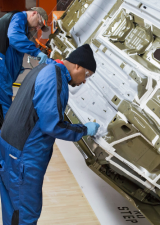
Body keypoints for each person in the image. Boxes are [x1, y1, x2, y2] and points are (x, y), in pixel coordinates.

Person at [0, 44, 100, 225]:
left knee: (12, 206)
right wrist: (84, 129)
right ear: (77, 65)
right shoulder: (55, 77)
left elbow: (42, 112)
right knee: (25, 212)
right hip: (24, 156)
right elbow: (52, 125)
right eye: (86, 75)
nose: (84, 81)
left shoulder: (44, 68)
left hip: (10, 147)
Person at [0, 7, 49, 126]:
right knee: (5, 103)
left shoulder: (23, 27)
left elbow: (14, 49)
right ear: (34, 13)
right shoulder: (18, 16)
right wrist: (36, 52)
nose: (37, 28)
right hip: (1, 69)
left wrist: (18, 66)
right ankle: (10, 136)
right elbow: (14, 38)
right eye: (39, 23)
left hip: (4, 68)